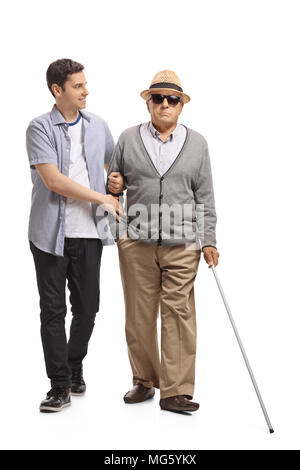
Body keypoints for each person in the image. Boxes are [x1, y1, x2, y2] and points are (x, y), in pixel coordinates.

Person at [107, 70, 219, 413]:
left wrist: (209, 240)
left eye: (172, 100)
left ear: (181, 106)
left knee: (179, 313)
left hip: (184, 243)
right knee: (139, 315)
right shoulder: (127, 138)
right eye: (158, 98)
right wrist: (118, 233)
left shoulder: (197, 143)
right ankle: (144, 381)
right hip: (136, 242)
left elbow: (205, 196)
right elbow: (112, 188)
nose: (165, 105)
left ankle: (176, 391)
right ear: (148, 102)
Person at [26, 58, 123, 412]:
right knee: (53, 311)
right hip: (49, 232)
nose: (86, 91)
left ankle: (73, 363)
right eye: (78, 86)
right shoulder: (39, 128)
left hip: (89, 232)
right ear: (57, 90)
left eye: (85, 84)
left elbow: (115, 167)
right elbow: (53, 180)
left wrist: (115, 181)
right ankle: (60, 386)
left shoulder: (99, 126)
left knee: (87, 309)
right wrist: (101, 196)